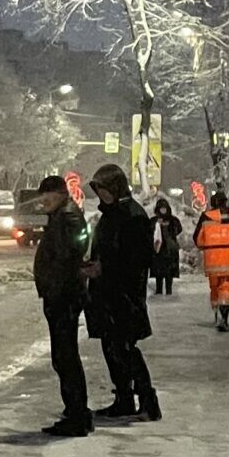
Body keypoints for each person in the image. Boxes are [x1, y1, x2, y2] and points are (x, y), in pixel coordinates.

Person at [85, 163, 160, 421]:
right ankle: (124, 398)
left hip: (124, 296)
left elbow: (137, 260)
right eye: (99, 190)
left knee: (125, 349)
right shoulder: (112, 214)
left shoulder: (132, 216)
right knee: (113, 349)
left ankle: (147, 400)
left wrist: (103, 268)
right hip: (107, 294)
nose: (102, 194)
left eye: (105, 189)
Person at [29, 174, 93, 436]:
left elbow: (67, 257)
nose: (43, 200)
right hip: (62, 293)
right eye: (42, 195)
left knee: (65, 356)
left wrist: (56, 285)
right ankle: (75, 411)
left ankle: (77, 416)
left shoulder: (66, 218)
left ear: (60, 194)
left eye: (48, 194)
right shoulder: (62, 216)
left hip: (64, 295)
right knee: (63, 356)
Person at [194, 190, 229, 332]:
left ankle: (216, 311)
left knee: (215, 287)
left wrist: (208, 246)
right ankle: (224, 315)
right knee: (227, 287)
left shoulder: (206, 217)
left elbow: (198, 239)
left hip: (212, 259)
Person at [149, 197, 183, 296]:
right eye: (161, 209)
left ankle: (169, 291)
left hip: (170, 250)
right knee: (158, 273)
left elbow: (178, 229)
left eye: (164, 208)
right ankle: (159, 290)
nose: (163, 211)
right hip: (158, 249)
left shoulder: (173, 220)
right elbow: (148, 230)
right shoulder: (154, 220)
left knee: (169, 273)